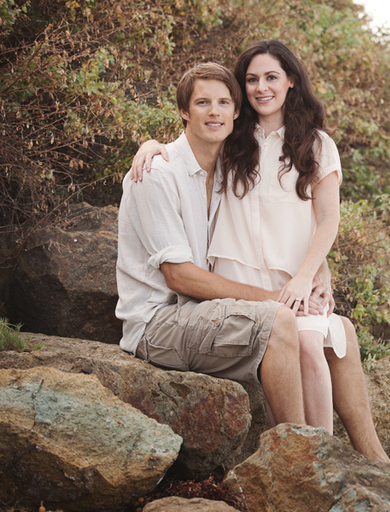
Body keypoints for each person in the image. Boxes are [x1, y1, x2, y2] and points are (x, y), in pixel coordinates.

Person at [121, 61, 390, 464]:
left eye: (222, 103)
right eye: (202, 103)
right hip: (159, 321)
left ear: (235, 112)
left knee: (342, 332)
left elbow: (306, 216)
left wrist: (318, 268)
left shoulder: (224, 161)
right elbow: (178, 276)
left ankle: (376, 463)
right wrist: (272, 298)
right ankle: (303, 463)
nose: (214, 112)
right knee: (281, 321)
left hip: (201, 312)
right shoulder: (162, 173)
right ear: (183, 111)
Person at [133, 40, 345, 434]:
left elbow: (327, 219)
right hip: (236, 280)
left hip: (290, 280)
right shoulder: (236, 141)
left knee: (313, 350)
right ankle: (303, 455)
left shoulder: (316, 144)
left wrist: (314, 272)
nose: (261, 87)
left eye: (271, 77)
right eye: (251, 79)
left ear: (292, 81)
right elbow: (192, 143)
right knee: (288, 344)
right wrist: (151, 146)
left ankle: (325, 457)